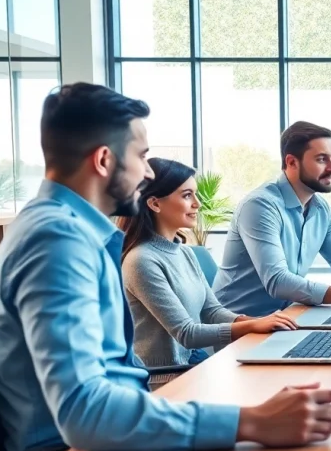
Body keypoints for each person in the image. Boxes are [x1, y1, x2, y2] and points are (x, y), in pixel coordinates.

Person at [0, 83, 331, 451]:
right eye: (141, 156)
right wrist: (252, 422)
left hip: (107, 439)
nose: (148, 172)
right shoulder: (57, 242)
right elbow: (85, 412)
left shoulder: (66, 230)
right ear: (103, 161)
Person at [117, 158, 298, 387]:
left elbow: (211, 311)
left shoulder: (185, 253)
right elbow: (186, 333)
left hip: (191, 364)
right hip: (164, 378)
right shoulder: (141, 261)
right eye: (186, 195)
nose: (198, 204)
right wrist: (251, 326)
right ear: (154, 203)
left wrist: (260, 321)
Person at [213, 121, 331, 318]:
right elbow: (277, 281)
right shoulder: (259, 206)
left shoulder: (320, 209)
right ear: (292, 162)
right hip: (239, 325)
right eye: (321, 159)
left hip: (286, 317)